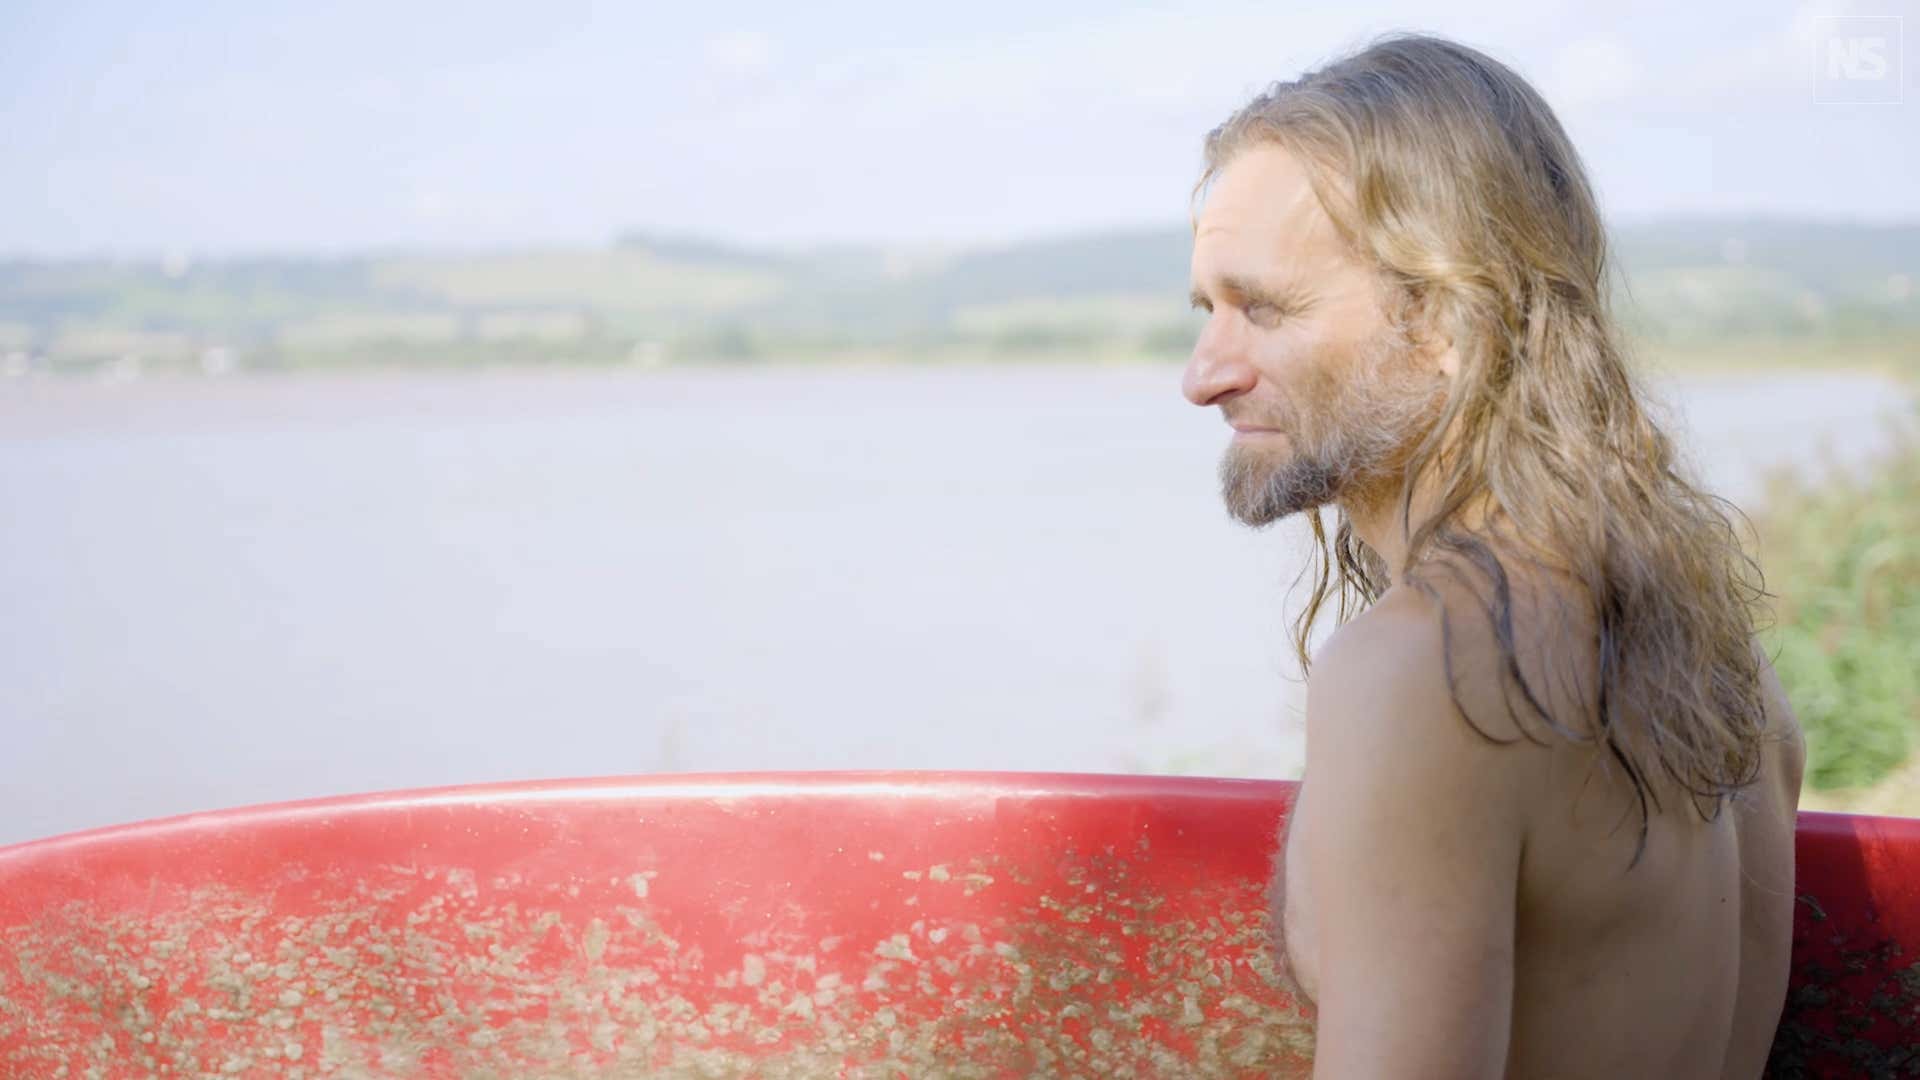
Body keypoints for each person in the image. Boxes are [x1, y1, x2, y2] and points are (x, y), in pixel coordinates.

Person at [1181, 32, 1806, 1079]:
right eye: (1207, 312)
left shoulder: (1430, 671)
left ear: (1449, 320)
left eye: (1267, 309)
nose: (1203, 376)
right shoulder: (1716, 654)